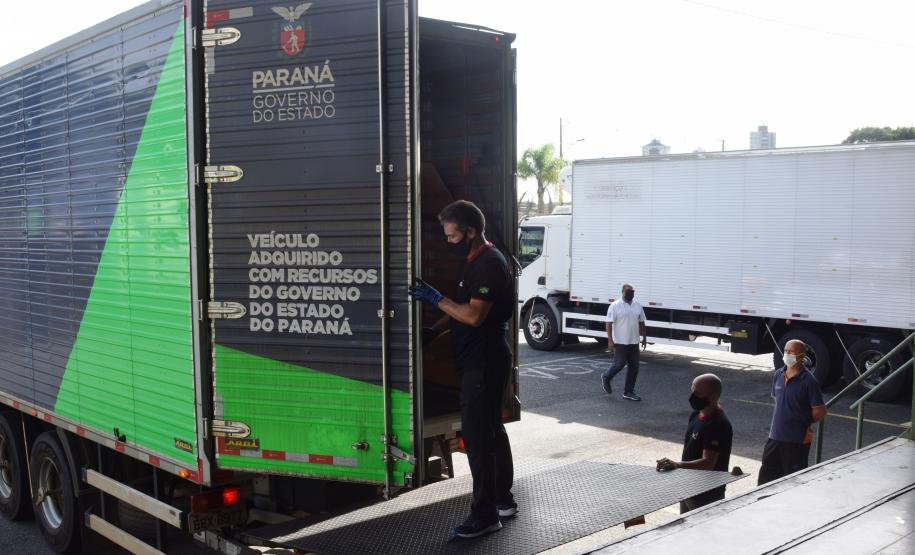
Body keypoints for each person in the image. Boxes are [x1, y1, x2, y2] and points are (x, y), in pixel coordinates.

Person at [409, 200, 516, 539]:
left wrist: (433, 297)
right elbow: (460, 307)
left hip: (483, 361)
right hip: (478, 358)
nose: (448, 242)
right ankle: (502, 500)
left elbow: (473, 316)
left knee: (479, 437)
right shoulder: (473, 261)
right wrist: (434, 330)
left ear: (471, 232)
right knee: (491, 430)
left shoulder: (488, 264)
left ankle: (485, 515)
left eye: (452, 236)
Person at [656, 373, 734, 514]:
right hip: (688, 486)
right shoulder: (696, 414)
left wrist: (678, 465)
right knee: (684, 528)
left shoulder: (718, 424)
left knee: (703, 533)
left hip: (706, 493)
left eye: (697, 393)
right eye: (692, 391)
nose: (693, 397)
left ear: (713, 396)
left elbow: (708, 463)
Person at [757, 339, 827, 485]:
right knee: (766, 480)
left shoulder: (809, 381)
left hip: (796, 441)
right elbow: (776, 399)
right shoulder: (778, 374)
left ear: (802, 356)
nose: (787, 354)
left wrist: (802, 421)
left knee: (792, 482)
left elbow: (820, 411)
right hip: (775, 437)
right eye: (786, 351)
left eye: (791, 352)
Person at [601, 283, 647, 401]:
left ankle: (628, 392)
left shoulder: (637, 306)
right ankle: (606, 376)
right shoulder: (615, 306)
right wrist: (610, 340)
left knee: (634, 368)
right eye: (628, 292)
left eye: (632, 292)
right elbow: (608, 323)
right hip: (620, 342)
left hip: (634, 341)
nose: (631, 294)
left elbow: (641, 322)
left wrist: (644, 337)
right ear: (623, 292)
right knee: (619, 364)